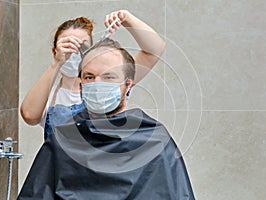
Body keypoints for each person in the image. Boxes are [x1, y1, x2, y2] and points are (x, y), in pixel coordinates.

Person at [17, 39, 195, 200]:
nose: (97, 84)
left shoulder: (155, 139)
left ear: (128, 84)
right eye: (89, 77)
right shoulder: (63, 138)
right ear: (81, 85)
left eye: (109, 77)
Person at [20, 10, 165, 140]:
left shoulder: (109, 85)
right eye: (68, 45)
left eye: (82, 46)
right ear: (55, 51)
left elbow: (154, 49)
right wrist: (57, 62)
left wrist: (127, 18)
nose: (75, 52)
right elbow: (29, 115)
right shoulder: (48, 94)